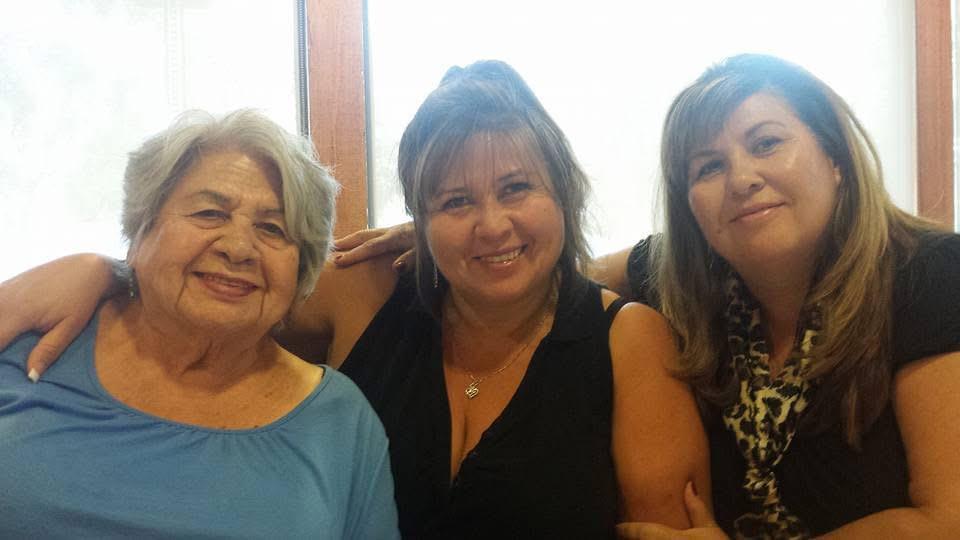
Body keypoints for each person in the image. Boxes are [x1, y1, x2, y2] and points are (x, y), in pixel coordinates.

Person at [0, 62, 709, 538]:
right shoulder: (364, 291)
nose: (491, 224)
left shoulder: (628, 342)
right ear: (422, 220)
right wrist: (108, 272)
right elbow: (224, 296)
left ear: (564, 191)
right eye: (455, 200)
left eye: (516, 189)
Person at [318, 54, 960, 538]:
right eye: (707, 167)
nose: (741, 179)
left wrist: (472, 229)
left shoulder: (927, 275)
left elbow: (946, 521)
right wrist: (455, 243)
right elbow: (566, 270)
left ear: (837, 157)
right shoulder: (692, 279)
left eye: (766, 143)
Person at [0, 109, 399, 538]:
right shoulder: (31, 339)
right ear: (141, 227)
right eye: (210, 213)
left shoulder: (340, 419)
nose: (238, 248)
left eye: (273, 228)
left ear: (300, 268)